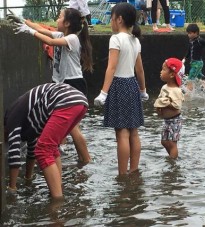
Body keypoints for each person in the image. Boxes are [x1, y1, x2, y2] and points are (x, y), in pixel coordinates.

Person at [12, 8, 93, 165]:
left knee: (73, 128)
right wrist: (23, 22)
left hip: (73, 83)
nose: (57, 18)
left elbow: (49, 42)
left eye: (60, 17)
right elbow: (42, 30)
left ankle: (86, 159)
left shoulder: (72, 39)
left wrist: (28, 31)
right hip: (64, 83)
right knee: (63, 125)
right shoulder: (62, 34)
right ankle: (62, 153)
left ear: (67, 23)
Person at [4, 83, 88, 198]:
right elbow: (31, 151)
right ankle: (58, 189)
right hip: (79, 101)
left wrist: (12, 188)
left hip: (64, 100)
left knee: (43, 150)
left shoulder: (10, 121)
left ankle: (57, 201)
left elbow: (14, 155)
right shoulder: (29, 122)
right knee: (51, 148)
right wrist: (28, 179)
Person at [94, 3, 148, 175]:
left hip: (118, 86)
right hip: (132, 85)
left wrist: (103, 93)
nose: (110, 21)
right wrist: (143, 90)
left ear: (119, 19)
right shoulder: (135, 40)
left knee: (122, 133)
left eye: (111, 18)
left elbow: (111, 68)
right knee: (133, 131)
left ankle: (122, 175)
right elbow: (140, 69)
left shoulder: (115, 39)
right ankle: (134, 170)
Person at [154, 58, 185, 159]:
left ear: (172, 74)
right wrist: (159, 107)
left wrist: (167, 104)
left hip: (175, 120)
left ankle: (173, 161)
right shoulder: (164, 87)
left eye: (163, 69)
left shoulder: (177, 90)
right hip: (166, 120)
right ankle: (172, 157)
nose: (161, 71)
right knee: (164, 141)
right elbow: (160, 99)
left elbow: (177, 105)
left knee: (172, 143)